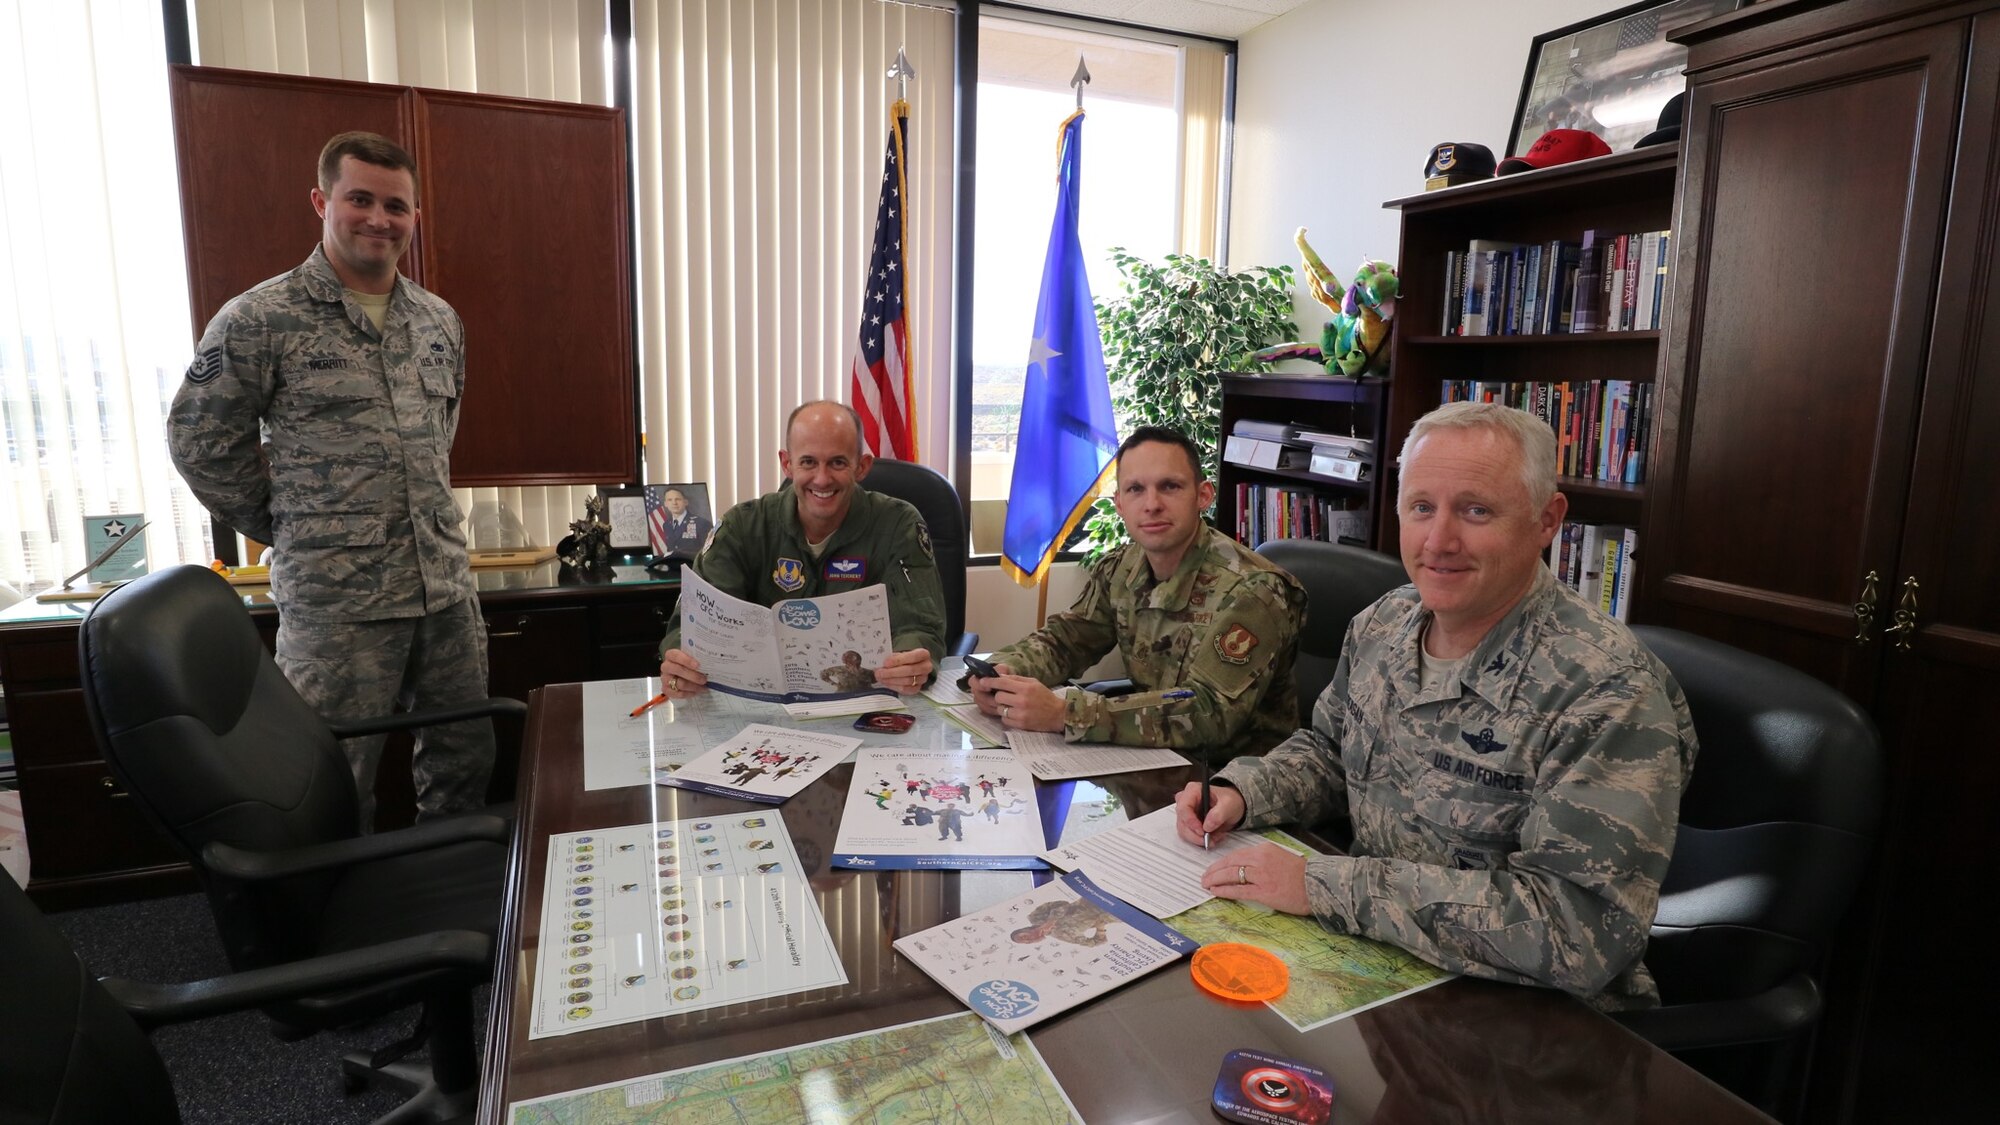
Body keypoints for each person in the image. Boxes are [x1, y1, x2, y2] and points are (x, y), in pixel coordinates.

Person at [1173, 401, 1697, 1011]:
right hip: (1382, 970)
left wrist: (1326, 885)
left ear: (1546, 520)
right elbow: (1330, 753)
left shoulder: (1607, 691)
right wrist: (1245, 792)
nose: (1439, 540)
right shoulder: (1382, 623)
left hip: (1529, 1020)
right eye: (1422, 507)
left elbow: (1575, 930)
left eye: (1476, 510)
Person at [168, 131, 494, 831]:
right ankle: (342, 923)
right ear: (322, 201)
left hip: (442, 594)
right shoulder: (260, 319)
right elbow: (201, 441)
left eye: (396, 205)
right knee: (331, 780)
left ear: (414, 217)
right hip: (337, 607)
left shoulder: (439, 322)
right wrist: (289, 521)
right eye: (361, 199)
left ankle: (455, 898)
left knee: (464, 761)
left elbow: (437, 443)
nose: (379, 218)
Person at [970, 426, 1307, 758]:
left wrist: (1066, 714)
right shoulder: (1121, 567)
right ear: (1118, 504)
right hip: (1153, 760)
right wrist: (1006, 672)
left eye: (1170, 486)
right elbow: (1067, 639)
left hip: (1234, 782)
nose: (1152, 504)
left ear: (1203, 495)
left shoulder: (1254, 590)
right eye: (1135, 489)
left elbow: (1211, 713)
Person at [657, 401, 945, 698]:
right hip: (764, 710)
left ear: (862, 466)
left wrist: (911, 661)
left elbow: (919, 624)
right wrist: (682, 661)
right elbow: (695, 623)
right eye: (808, 462)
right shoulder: (742, 527)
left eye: (837, 462)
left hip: (865, 702)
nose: (822, 479)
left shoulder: (899, 525)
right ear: (787, 464)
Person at [659, 486, 711, 557]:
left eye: (678, 499)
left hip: (693, 566)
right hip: (673, 565)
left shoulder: (701, 523)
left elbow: (709, 552)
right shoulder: (666, 525)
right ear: (665, 504)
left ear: (685, 502)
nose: (674, 503)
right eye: (670, 500)